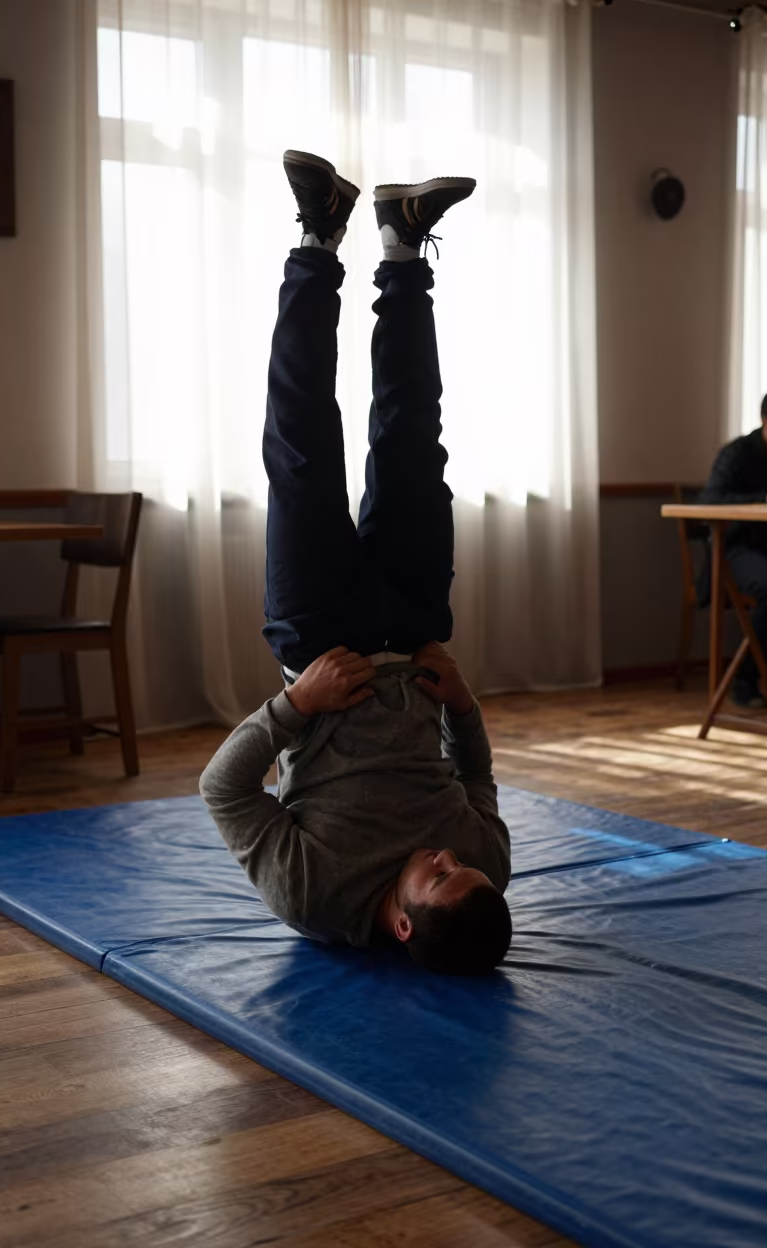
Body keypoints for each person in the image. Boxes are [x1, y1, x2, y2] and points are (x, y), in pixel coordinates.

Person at [200, 150, 511, 975]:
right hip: (414, 636)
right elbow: (476, 787)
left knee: (303, 443)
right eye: (462, 865)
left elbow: (224, 792)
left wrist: (295, 706)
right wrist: (464, 708)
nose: (447, 855)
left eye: (439, 876)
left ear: (403, 926)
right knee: (414, 436)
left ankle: (317, 236)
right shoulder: (488, 882)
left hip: (321, 643)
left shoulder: (315, 895)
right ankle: (402, 245)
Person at [701, 388, 767, 707]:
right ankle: (744, 678)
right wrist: (763, 499)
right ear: (766, 421)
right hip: (737, 549)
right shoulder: (737, 453)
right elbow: (710, 502)